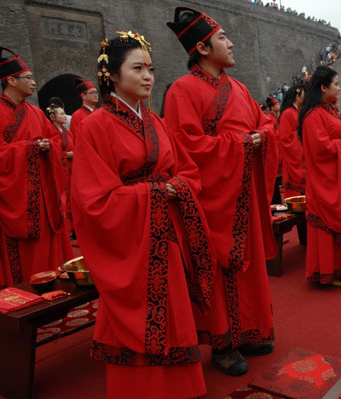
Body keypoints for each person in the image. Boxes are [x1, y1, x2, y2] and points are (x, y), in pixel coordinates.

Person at [70, 32, 212, 398]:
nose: (148, 76)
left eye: (150, 68)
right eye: (137, 68)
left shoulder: (157, 121)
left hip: (165, 239)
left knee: (175, 320)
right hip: (132, 245)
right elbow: (94, 201)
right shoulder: (94, 126)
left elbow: (188, 171)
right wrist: (152, 193)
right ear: (112, 77)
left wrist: (176, 187)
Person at [163, 7, 277, 376]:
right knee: (217, 268)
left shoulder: (239, 87)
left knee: (249, 266)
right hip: (212, 196)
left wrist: (261, 138)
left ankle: (249, 330)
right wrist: (243, 144)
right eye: (223, 38)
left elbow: (266, 124)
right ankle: (224, 343)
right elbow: (186, 145)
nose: (231, 44)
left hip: (241, 189)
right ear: (202, 47)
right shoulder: (182, 90)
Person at [0, 46, 73, 287]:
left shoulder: (36, 112)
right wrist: (30, 148)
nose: (34, 83)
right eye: (28, 78)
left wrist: (46, 147)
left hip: (42, 194)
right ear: (11, 80)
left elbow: (54, 141)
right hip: (15, 198)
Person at [298, 66, 341, 286]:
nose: (339, 88)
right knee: (328, 221)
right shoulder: (314, 115)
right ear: (324, 88)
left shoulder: (329, 110)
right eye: (336, 84)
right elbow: (319, 148)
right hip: (325, 179)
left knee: (340, 217)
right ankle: (329, 270)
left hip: (338, 175)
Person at [43, 97, 75, 236]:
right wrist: (64, 154)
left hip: (71, 167)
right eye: (61, 114)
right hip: (60, 168)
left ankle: (74, 227)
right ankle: (66, 229)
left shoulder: (67, 132)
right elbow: (51, 149)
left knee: (72, 197)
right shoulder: (51, 132)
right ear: (53, 117)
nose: (64, 116)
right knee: (63, 197)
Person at [278, 84, 305, 199]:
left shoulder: (296, 112)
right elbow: (285, 139)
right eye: (302, 95)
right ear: (297, 97)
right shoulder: (288, 113)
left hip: (301, 158)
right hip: (294, 160)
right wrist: (301, 135)